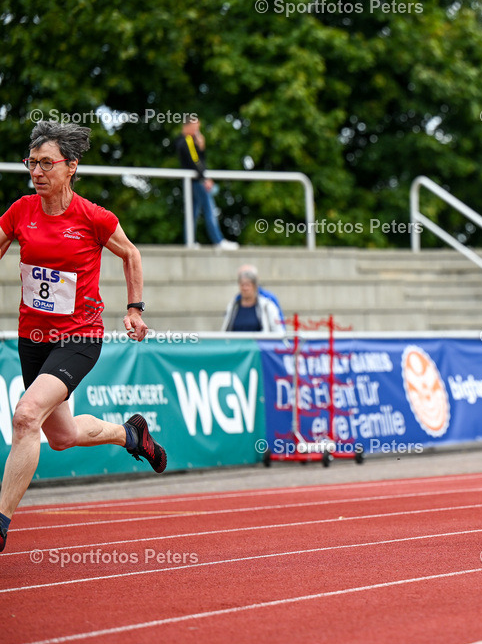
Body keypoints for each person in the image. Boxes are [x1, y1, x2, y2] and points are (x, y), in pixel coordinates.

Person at [0, 122, 167, 553]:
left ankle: (0, 523)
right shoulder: (20, 212)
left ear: (71, 167)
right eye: (31, 163)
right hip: (32, 338)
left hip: (79, 336)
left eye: (46, 163)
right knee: (61, 436)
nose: (36, 171)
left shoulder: (92, 217)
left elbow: (131, 253)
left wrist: (134, 309)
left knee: (25, 416)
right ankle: (131, 436)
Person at [175, 117, 238, 250]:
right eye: (196, 127)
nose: (197, 130)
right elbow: (195, 162)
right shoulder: (187, 141)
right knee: (209, 209)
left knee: (193, 212)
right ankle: (218, 241)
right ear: (188, 126)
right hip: (197, 182)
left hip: (194, 181)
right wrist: (205, 179)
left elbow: (197, 160)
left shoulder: (187, 141)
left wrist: (201, 147)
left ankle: (190, 242)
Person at [222, 265, 286, 333]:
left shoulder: (267, 303)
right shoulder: (234, 304)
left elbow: (279, 327)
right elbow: (226, 327)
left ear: (255, 286)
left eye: (248, 285)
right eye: (242, 285)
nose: (245, 288)